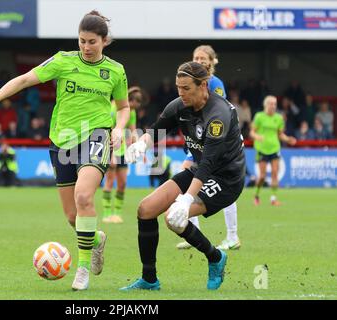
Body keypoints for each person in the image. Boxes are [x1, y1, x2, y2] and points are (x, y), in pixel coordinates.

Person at [0, 11, 130, 291]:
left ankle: (81, 270)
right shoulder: (63, 61)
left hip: (97, 136)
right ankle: (96, 238)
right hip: (62, 140)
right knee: (72, 217)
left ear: (104, 41)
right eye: (82, 41)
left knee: (83, 196)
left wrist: (118, 129)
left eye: (92, 42)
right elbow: (23, 80)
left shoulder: (115, 70)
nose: (86, 47)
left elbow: (124, 107)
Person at [120, 61, 246, 291]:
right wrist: (142, 144)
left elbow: (208, 162)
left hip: (226, 179)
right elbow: (158, 128)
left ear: (204, 85)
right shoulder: (179, 105)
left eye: (186, 88)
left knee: (172, 218)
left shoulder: (219, 115)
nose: (181, 93)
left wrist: (187, 199)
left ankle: (215, 257)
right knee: (146, 209)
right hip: (201, 170)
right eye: (178, 87)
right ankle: (149, 279)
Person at [176, 45, 240, 251]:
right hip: (198, 139)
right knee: (185, 180)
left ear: (212, 62)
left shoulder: (215, 84)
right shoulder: (189, 83)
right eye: (196, 57)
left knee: (223, 186)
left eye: (203, 58)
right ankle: (190, 232)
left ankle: (232, 235)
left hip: (214, 141)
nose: (200, 60)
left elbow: (217, 111)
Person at [102, 86, 142, 224]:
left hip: (122, 151)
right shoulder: (114, 108)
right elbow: (108, 130)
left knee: (122, 183)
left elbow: (132, 131)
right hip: (110, 148)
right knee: (109, 181)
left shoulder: (131, 111)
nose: (133, 109)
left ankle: (117, 214)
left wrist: (137, 148)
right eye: (133, 105)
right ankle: (107, 214)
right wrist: (111, 154)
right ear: (129, 100)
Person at [250, 95, 296, 206]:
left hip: (275, 148)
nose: (273, 106)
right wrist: (257, 137)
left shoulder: (279, 118)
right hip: (262, 149)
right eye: (271, 103)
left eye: (275, 104)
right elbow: (252, 132)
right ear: (265, 104)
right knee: (262, 176)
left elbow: (280, 134)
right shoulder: (259, 116)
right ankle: (256, 195)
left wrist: (288, 139)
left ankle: (273, 199)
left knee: (275, 173)